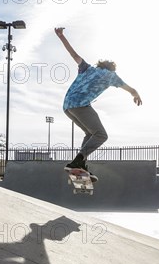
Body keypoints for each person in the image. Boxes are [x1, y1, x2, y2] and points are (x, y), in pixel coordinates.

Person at [55, 27, 142, 182]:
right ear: (112, 69)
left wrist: (61, 36)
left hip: (67, 106)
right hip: (81, 105)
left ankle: (80, 164)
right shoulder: (111, 76)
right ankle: (78, 160)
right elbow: (131, 89)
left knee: (90, 134)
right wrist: (136, 95)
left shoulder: (87, 68)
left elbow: (74, 54)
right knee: (101, 135)